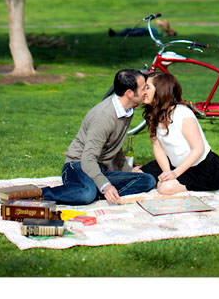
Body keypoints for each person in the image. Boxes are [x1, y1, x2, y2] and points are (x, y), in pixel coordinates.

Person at [40, 69, 157, 204]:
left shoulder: (127, 111)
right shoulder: (103, 117)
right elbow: (87, 159)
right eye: (144, 88)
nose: (146, 92)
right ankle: (42, 194)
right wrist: (106, 186)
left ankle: (96, 191)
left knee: (147, 180)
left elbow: (115, 147)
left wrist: (128, 172)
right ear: (130, 93)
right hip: (78, 165)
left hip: (99, 169)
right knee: (86, 194)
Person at [136, 71, 219, 195]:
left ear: (161, 90)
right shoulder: (152, 114)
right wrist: (167, 172)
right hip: (174, 164)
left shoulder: (182, 114)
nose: (143, 91)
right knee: (137, 175)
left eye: (147, 87)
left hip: (203, 167)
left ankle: (182, 184)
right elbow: (157, 147)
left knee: (164, 188)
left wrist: (175, 174)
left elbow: (198, 149)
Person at [108, 18, 176, 38]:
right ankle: (116, 33)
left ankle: (115, 34)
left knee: (133, 33)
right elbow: (159, 21)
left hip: (147, 33)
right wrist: (169, 28)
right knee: (128, 29)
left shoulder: (165, 33)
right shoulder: (163, 28)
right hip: (145, 29)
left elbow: (165, 23)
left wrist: (169, 30)